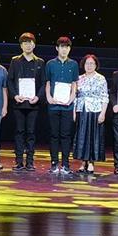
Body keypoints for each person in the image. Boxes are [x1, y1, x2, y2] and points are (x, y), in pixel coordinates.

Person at [7, 32, 46, 171]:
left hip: (33, 104)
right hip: (19, 103)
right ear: (21, 46)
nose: (28, 45)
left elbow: (43, 83)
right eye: (25, 43)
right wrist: (15, 96)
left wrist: (38, 97)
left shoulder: (40, 62)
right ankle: (18, 161)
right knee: (19, 131)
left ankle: (30, 162)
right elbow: (10, 80)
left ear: (34, 45)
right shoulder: (15, 61)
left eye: (30, 43)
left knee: (31, 132)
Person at [45, 36, 79, 175]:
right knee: (54, 135)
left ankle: (65, 164)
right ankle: (54, 163)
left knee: (66, 135)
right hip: (53, 105)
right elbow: (48, 82)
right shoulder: (50, 64)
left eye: (67, 47)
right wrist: (49, 97)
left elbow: (74, 83)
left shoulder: (74, 64)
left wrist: (71, 98)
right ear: (57, 48)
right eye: (62, 47)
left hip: (67, 106)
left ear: (69, 49)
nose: (64, 50)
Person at [73, 54, 109, 173]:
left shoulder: (101, 78)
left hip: (95, 110)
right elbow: (75, 97)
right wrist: (74, 112)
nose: (89, 66)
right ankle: (83, 162)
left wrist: (103, 113)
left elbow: (105, 97)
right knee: (82, 136)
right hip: (82, 110)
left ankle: (91, 162)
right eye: (87, 63)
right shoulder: (79, 78)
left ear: (96, 65)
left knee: (93, 136)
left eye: (92, 63)